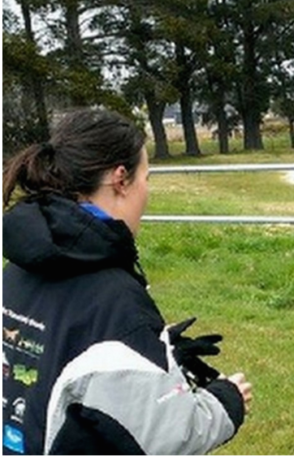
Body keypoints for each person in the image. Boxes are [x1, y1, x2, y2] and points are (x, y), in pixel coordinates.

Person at [2, 109, 253, 455]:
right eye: (146, 177)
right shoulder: (116, 299)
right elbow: (163, 438)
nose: (147, 192)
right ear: (121, 179)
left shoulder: (16, 269)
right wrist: (226, 401)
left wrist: (149, 352)